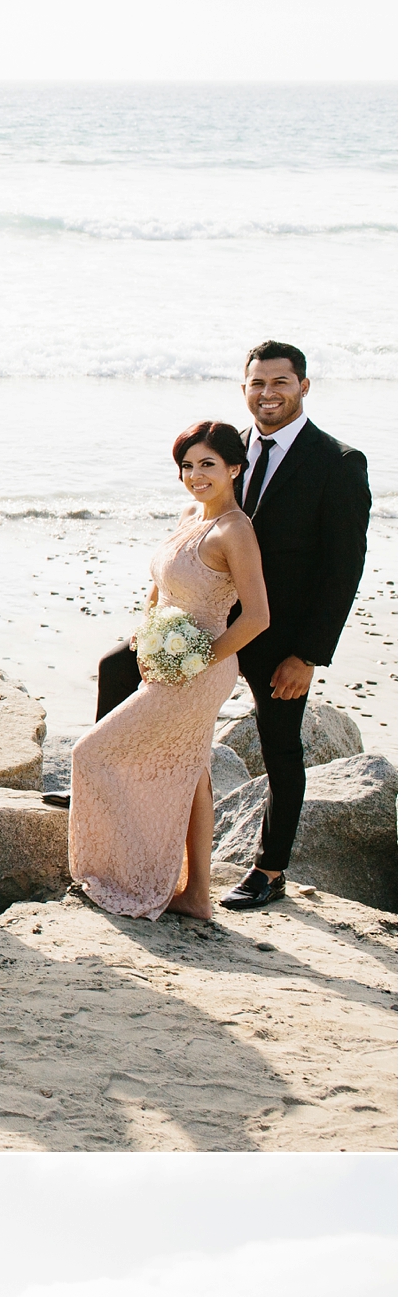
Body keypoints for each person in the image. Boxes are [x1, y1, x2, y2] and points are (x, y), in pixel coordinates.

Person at [70, 422, 267, 921]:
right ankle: (197, 894)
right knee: (193, 772)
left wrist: (199, 661)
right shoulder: (190, 516)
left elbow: (258, 617)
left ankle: (129, 873)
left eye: (207, 465)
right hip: (167, 661)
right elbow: (161, 585)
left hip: (201, 670)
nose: (195, 475)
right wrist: (148, 632)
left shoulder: (235, 531)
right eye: (187, 465)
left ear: (234, 468)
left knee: (90, 753)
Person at [222, 340, 373, 910]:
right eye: (257, 383)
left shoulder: (337, 462)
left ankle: (270, 869)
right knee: (125, 669)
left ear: (303, 387)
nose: (268, 394)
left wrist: (308, 655)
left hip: (282, 637)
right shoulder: (225, 447)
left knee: (280, 748)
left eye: (280, 382)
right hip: (215, 622)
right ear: (245, 388)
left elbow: (343, 570)